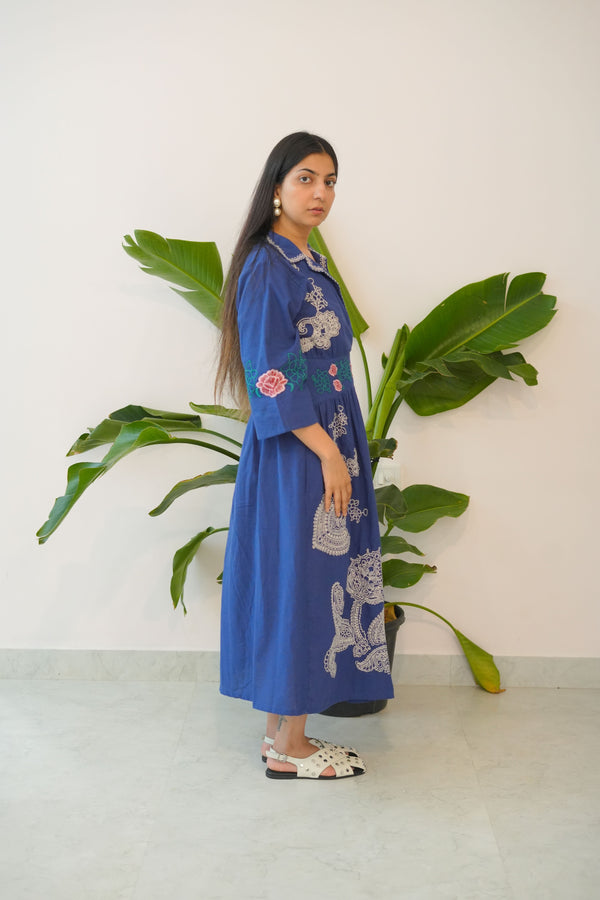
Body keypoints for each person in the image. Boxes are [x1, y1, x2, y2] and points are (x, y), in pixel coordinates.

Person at [216, 132, 394, 780]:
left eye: (330, 180)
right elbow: (270, 375)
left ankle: (281, 735)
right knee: (302, 581)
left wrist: (338, 440)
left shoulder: (308, 264)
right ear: (276, 188)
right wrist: (327, 452)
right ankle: (290, 751)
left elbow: (311, 366)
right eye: (306, 178)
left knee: (309, 578)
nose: (321, 192)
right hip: (301, 451)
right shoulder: (268, 265)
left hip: (324, 438)